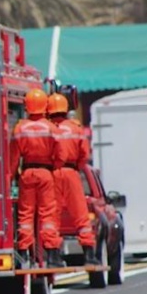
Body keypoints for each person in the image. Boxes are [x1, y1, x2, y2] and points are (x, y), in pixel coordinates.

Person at [9, 88, 65, 268]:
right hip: (45, 173)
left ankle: (23, 253)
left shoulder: (19, 128)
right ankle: (52, 254)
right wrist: (54, 167)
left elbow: (13, 157)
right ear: (44, 106)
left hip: (27, 173)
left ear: (27, 106)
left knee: (25, 213)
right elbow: (61, 155)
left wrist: (12, 176)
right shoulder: (51, 128)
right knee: (47, 213)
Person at [48, 93, 99, 265]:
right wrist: (76, 167)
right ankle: (89, 255)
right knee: (80, 214)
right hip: (71, 172)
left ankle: (53, 256)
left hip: (52, 173)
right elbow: (85, 154)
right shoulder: (76, 129)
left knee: (51, 215)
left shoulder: (47, 128)